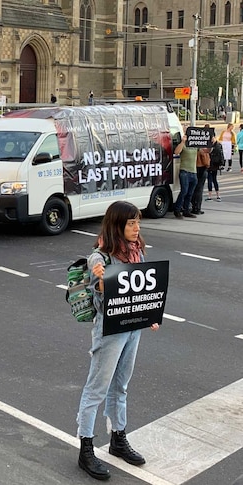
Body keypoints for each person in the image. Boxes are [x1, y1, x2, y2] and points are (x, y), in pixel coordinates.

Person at [76, 200, 159, 481]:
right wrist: (100, 280)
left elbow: (145, 288)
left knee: (121, 385)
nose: (137, 228)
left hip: (133, 328)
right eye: (131, 223)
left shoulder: (137, 252)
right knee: (96, 388)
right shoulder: (100, 258)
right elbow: (100, 290)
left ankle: (118, 438)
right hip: (110, 331)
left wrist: (150, 315)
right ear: (117, 225)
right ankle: (85, 446)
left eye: (138, 222)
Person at [172, 134, 198, 219]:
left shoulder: (195, 144)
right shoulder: (184, 145)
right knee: (184, 191)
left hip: (193, 171)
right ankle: (177, 210)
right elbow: (176, 152)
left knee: (190, 193)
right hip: (185, 171)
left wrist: (212, 142)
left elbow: (206, 151)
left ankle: (186, 210)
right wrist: (183, 142)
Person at [191, 145, 210, 215]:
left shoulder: (192, 147)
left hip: (194, 168)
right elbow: (206, 162)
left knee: (193, 189)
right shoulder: (202, 149)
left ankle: (192, 206)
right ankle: (197, 208)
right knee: (199, 190)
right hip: (201, 169)